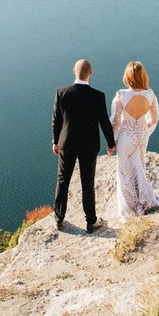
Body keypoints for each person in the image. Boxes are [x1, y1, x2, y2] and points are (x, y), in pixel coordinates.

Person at [52, 59, 116, 233]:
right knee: (87, 183)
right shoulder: (97, 96)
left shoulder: (61, 93)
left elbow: (57, 120)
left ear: (74, 71)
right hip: (89, 145)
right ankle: (91, 221)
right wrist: (111, 144)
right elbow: (104, 122)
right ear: (91, 73)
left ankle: (58, 219)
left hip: (67, 143)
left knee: (63, 180)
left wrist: (55, 142)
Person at [110, 61, 159, 222]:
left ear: (128, 77)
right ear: (143, 76)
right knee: (139, 165)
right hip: (142, 135)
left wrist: (111, 141)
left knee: (125, 170)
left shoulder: (121, 95)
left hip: (127, 136)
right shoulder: (150, 95)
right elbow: (154, 118)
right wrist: (142, 127)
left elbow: (116, 122)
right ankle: (143, 200)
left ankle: (129, 205)